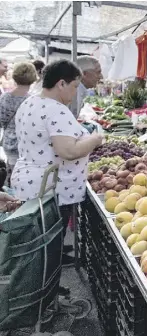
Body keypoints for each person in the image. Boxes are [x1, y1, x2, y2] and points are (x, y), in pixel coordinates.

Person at [11, 60, 104, 266]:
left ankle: (44, 281)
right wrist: (95, 139)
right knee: (47, 245)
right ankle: (47, 293)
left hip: (30, 182)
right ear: (61, 83)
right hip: (49, 189)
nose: (75, 92)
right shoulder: (56, 110)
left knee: (37, 242)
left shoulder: (29, 103)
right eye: (74, 86)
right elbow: (68, 151)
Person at [0, 62, 38, 178]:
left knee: (11, 170)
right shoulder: (34, 100)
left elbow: (1, 120)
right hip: (27, 144)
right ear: (32, 78)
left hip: (9, 143)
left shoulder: (5, 98)